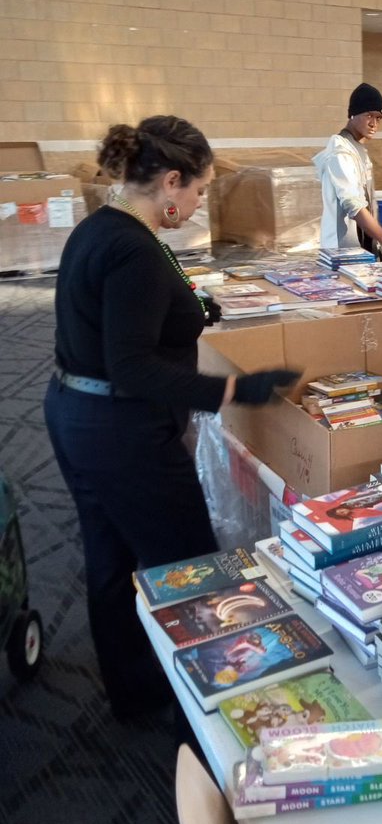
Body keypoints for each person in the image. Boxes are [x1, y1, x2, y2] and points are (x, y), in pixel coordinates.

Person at [44, 115, 300, 720]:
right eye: (200, 190)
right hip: (121, 430)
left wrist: (190, 306)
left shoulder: (106, 226)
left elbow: (125, 320)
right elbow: (131, 366)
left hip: (76, 414)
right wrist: (238, 388)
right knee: (189, 561)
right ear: (171, 180)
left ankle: (135, 692)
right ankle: (214, 701)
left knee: (109, 558)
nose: (200, 201)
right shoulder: (133, 249)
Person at [314, 82, 382, 265]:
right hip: (343, 252)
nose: (374, 123)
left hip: (364, 250)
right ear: (352, 114)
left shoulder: (359, 150)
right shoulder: (340, 153)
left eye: (378, 118)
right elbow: (355, 207)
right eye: (368, 115)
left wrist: (377, 246)